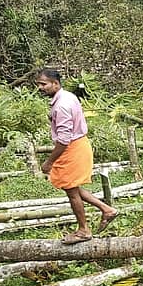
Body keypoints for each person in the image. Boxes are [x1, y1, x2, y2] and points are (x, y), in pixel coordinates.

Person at [35, 68, 119, 244]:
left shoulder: (62, 106)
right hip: (78, 144)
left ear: (55, 84)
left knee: (72, 192)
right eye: (38, 84)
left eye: (43, 84)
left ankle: (83, 230)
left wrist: (49, 162)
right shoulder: (68, 97)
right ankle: (106, 209)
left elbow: (64, 139)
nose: (40, 88)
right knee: (71, 186)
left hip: (72, 148)